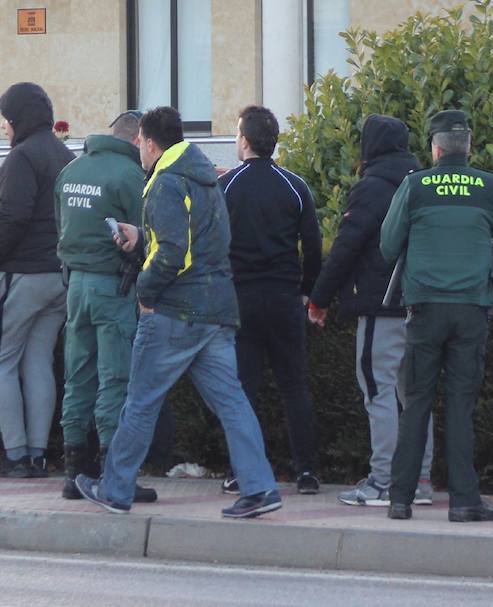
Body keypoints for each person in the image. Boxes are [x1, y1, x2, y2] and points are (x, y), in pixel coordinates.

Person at [76, 106, 281, 519]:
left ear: (149, 144)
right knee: (232, 402)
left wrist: (145, 290)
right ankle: (260, 489)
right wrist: (143, 238)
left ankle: (115, 490)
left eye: (140, 145)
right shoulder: (205, 177)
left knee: (140, 401)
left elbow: (174, 254)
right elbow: (197, 242)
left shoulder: (165, 184)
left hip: (175, 311)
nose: (139, 151)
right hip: (216, 311)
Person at [380, 110, 493, 522]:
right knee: (461, 406)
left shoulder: (414, 186)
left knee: (416, 404)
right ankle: (464, 501)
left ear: (434, 148)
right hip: (470, 309)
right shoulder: (490, 187)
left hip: (424, 309)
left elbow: (388, 245)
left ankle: (400, 499)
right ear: (469, 147)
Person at [307, 114, 436, 507]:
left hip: (381, 306)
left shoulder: (372, 189)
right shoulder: (423, 184)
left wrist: (319, 299)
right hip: (422, 303)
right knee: (415, 395)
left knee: (378, 390)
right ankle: (421, 480)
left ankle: (383, 480)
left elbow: (346, 248)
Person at [217, 105, 322, 495]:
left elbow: (212, 245)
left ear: (244, 140)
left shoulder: (226, 186)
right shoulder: (295, 186)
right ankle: (306, 471)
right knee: (294, 386)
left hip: (240, 299)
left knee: (243, 389)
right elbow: (312, 248)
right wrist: (308, 290)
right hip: (283, 298)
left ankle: (240, 471)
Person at [54, 109, 155, 503]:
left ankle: (74, 471)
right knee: (115, 378)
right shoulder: (130, 176)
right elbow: (147, 235)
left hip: (75, 284)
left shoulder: (73, 169)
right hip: (113, 287)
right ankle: (115, 474)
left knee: (77, 375)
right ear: (136, 140)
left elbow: (57, 226)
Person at [0, 82, 75, 477]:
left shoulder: (21, 157)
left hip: (22, 274)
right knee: (38, 362)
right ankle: (36, 455)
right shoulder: (65, 155)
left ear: (19, 119)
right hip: (60, 278)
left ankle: (16, 455)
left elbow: (12, 216)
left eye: (6, 118)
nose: (3, 126)